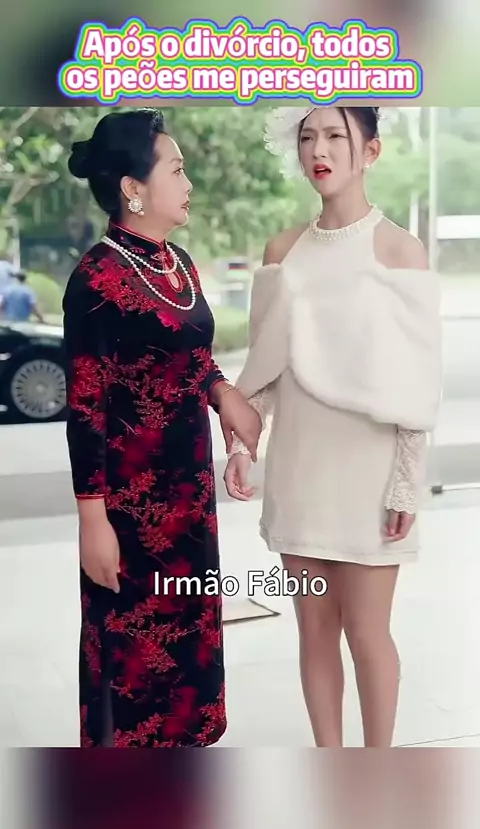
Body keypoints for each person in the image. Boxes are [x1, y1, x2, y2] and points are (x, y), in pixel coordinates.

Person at [224, 106, 442, 748]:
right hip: (301, 467)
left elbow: (418, 381)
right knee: (314, 631)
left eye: (335, 137)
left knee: (368, 633)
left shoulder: (400, 250)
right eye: (308, 137)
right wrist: (242, 445)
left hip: (371, 469)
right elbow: (265, 365)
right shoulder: (282, 252)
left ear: (369, 151)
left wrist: (406, 482)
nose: (318, 150)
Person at [62, 108, 261, 748]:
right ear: (134, 188)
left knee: (190, 654)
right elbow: (85, 407)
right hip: (128, 511)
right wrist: (92, 520)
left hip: (188, 503)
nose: (189, 183)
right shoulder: (97, 278)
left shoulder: (178, 264)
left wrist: (223, 395)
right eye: (176, 170)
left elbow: (192, 360)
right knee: (133, 663)